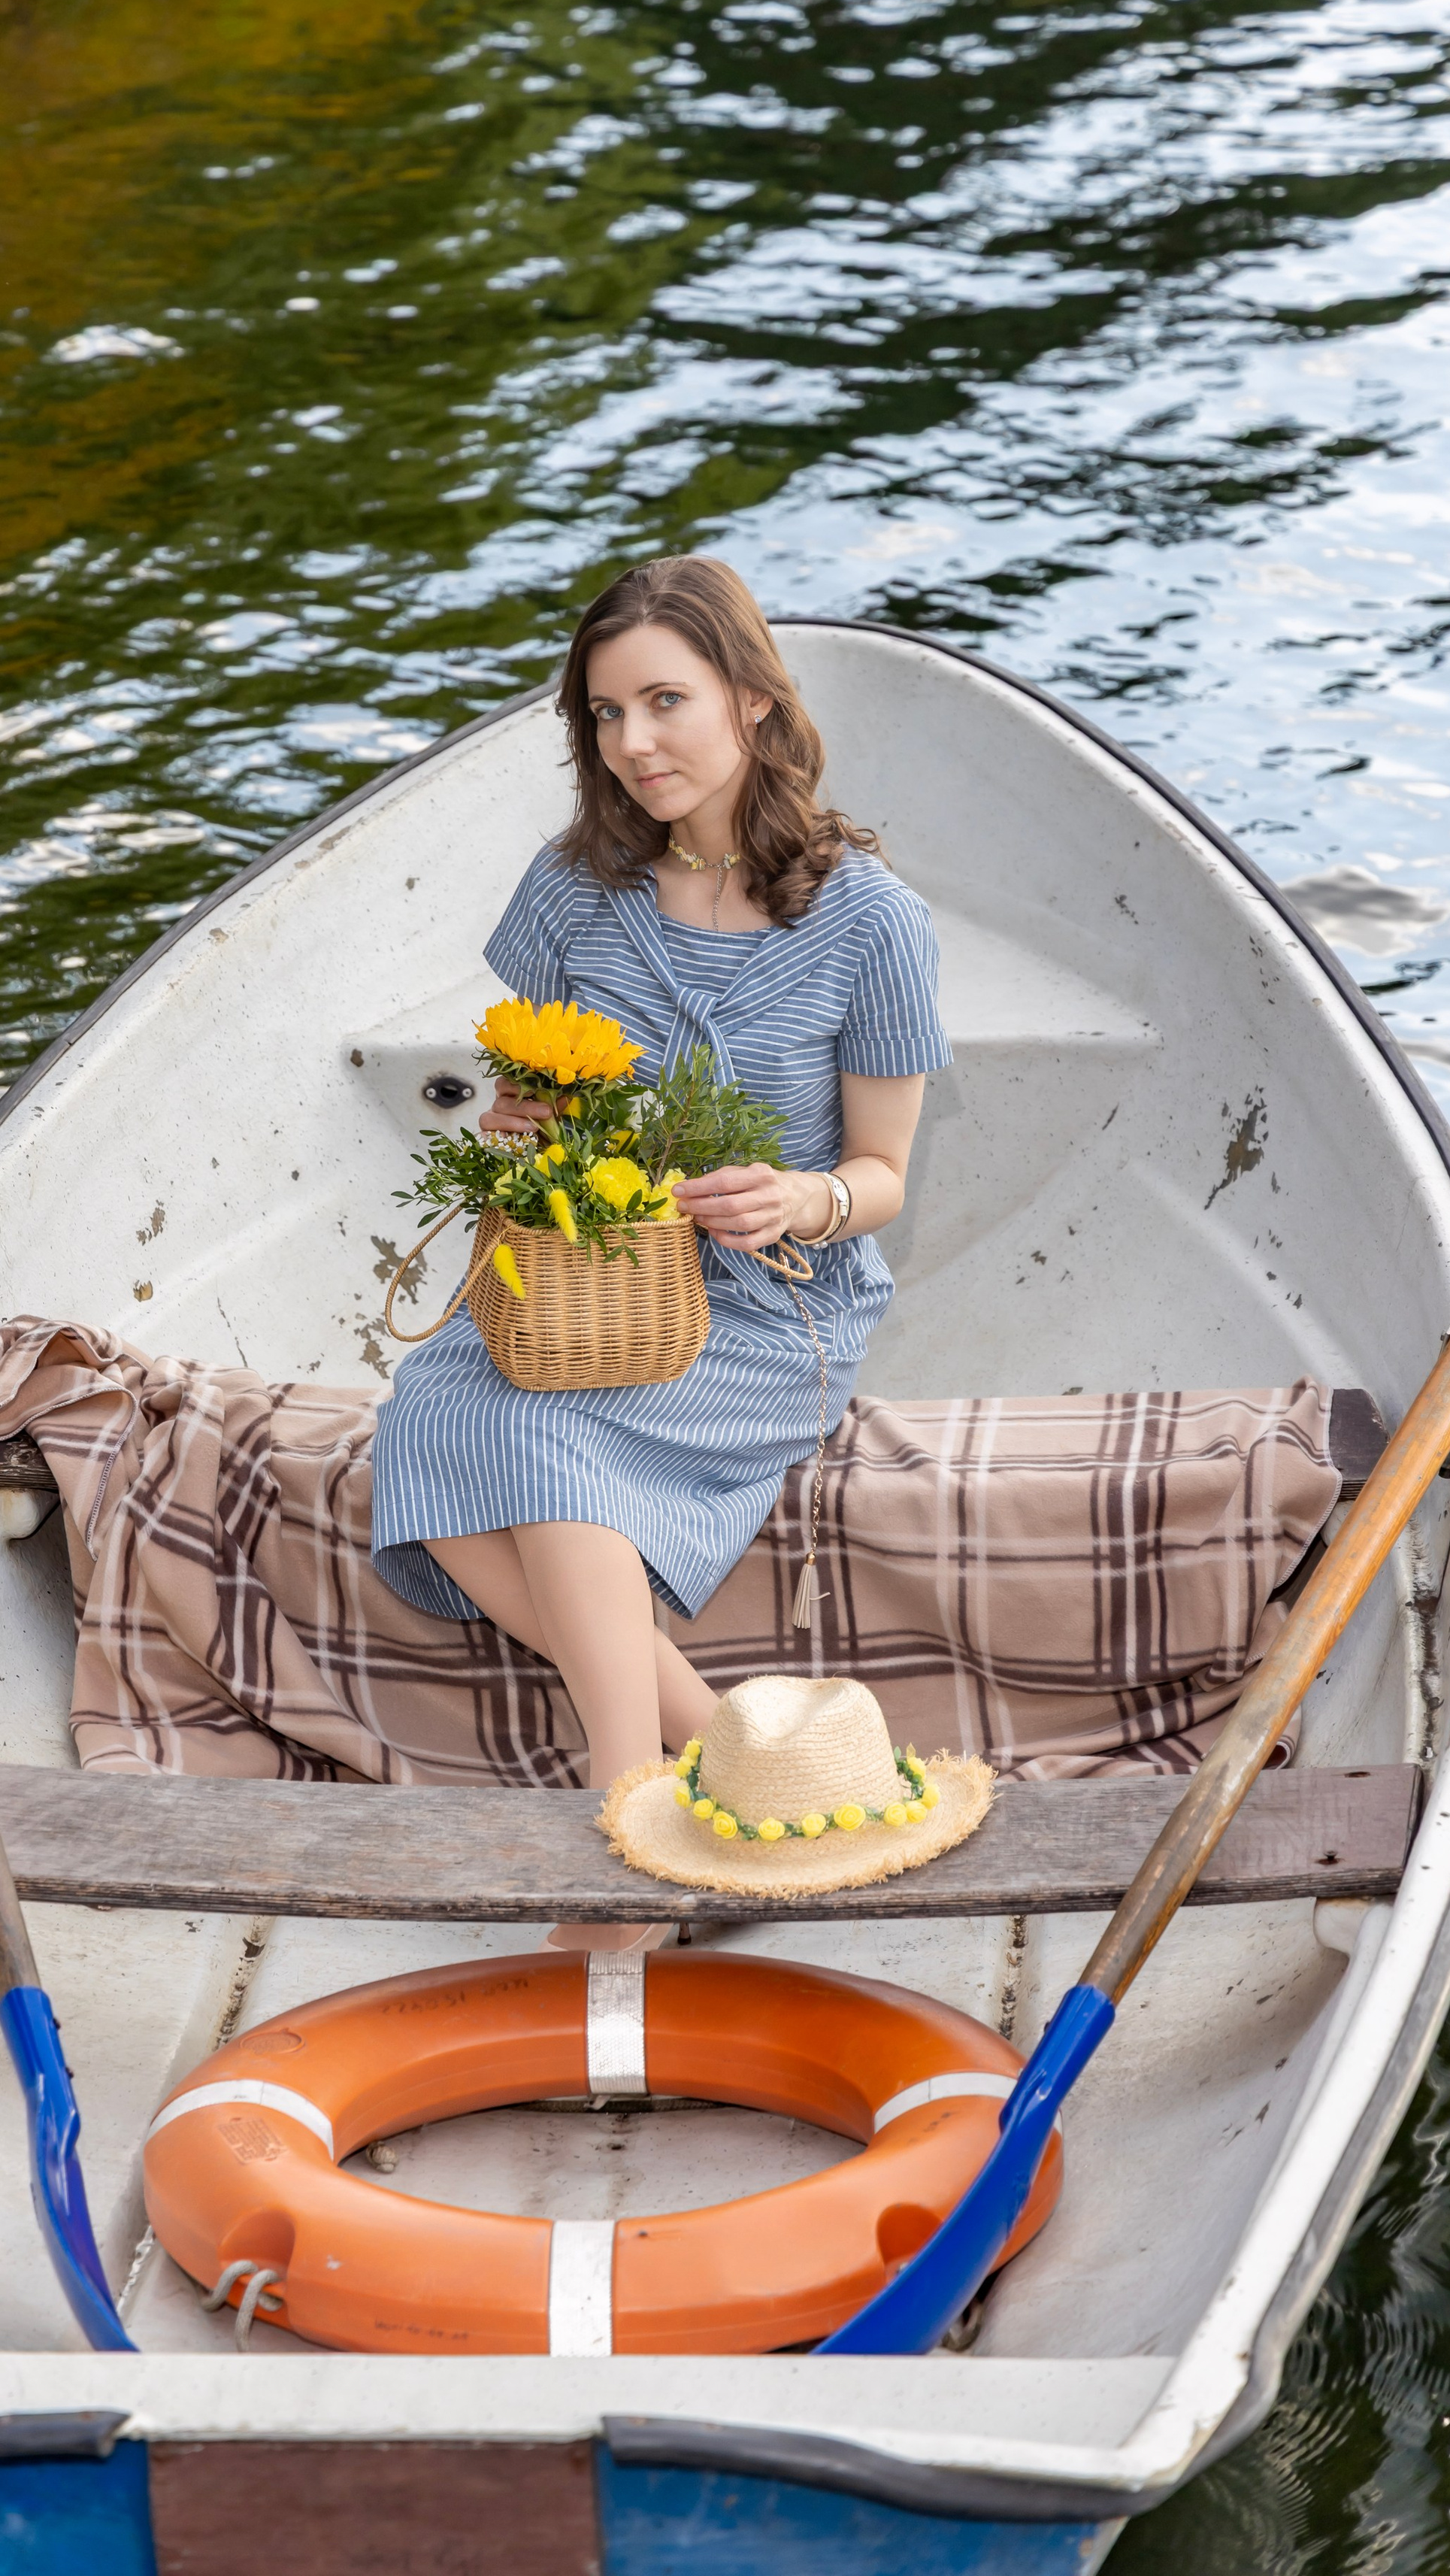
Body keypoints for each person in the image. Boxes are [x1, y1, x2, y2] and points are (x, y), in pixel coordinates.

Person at [370, 554, 951, 1946]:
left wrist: (798, 1201)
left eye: (666, 702)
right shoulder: (576, 891)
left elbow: (882, 1178)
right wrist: (521, 1120)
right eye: (605, 715)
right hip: (591, 1282)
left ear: (753, 701)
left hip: (768, 1306)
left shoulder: (872, 922)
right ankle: (736, 1769)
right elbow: (543, 1120)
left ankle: (626, 1828)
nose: (633, 744)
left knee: (549, 1448)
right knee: (427, 1423)